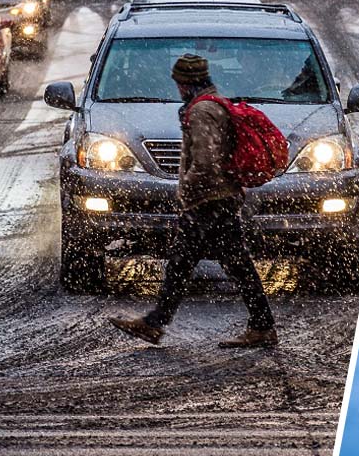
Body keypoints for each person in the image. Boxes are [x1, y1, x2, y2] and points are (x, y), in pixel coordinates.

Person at [108, 54, 278, 348]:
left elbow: (205, 160)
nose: (176, 87)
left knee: (219, 264)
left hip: (210, 201)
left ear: (184, 83)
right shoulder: (208, 105)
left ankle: (260, 327)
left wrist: (186, 190)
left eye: (178, 82)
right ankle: (156, 323)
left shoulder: (202, 111)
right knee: (193, 264)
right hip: (216, 198)